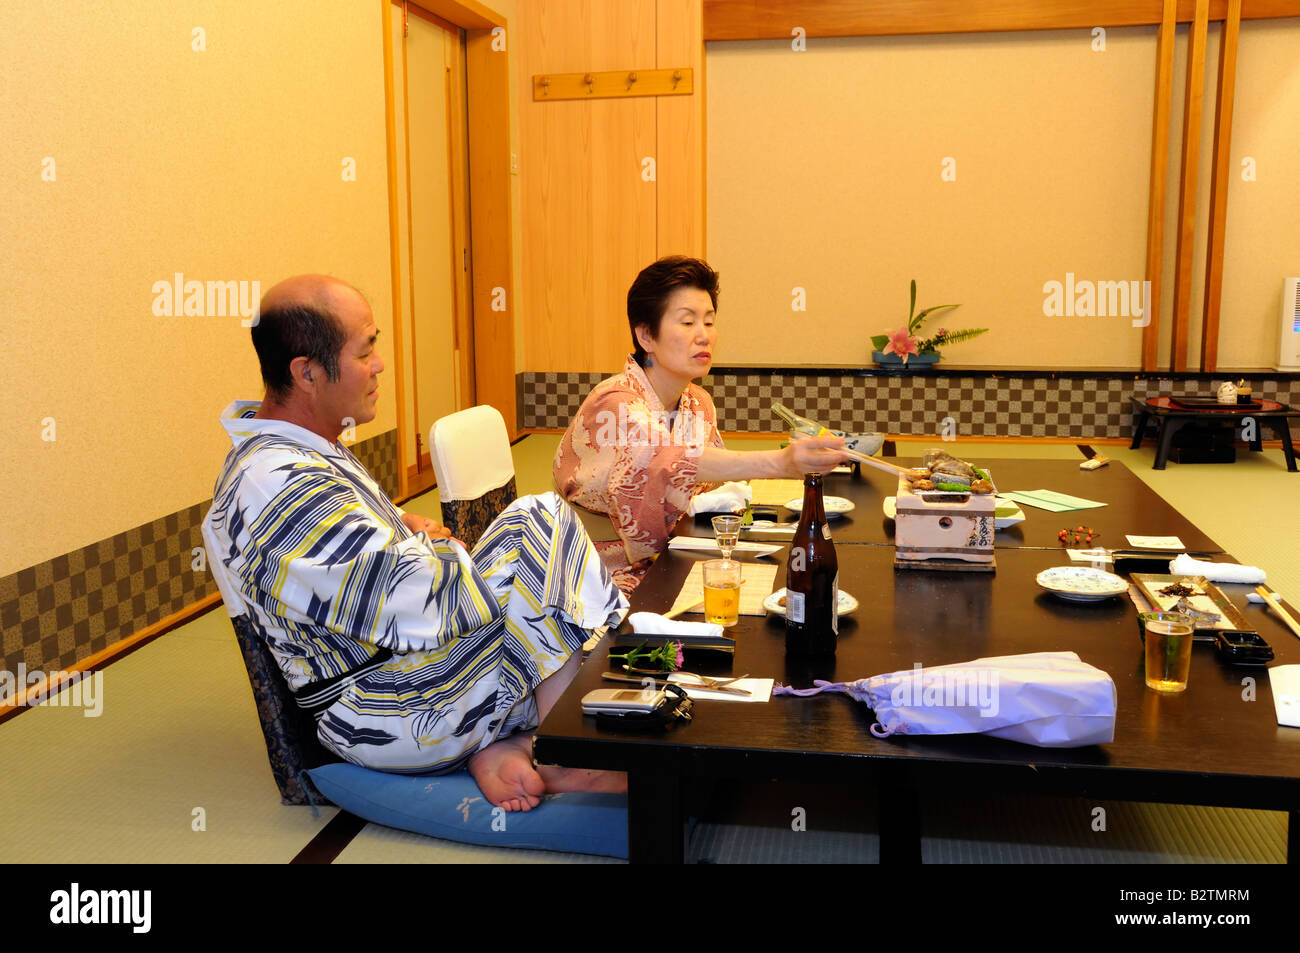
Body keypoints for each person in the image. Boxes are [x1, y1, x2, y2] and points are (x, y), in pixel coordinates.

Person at [202, 275, 628, 812]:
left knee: (539, 544)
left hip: (413, 669)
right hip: (386, 709)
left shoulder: (297, 450)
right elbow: (425, 603)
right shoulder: (276, 483)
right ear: (307, 372)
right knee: (541, 536)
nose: (379, 364)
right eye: (366, 349)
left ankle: (511, 742)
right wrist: (436, 546)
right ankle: (567, 756)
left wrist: (409, 533)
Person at [554, 256, 851, 592]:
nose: (704, 336)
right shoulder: (613, 403)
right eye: (687, 322)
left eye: (709, 322)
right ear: (646, 336)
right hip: (599, 572)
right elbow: (660, 458)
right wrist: (780, 462)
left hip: (674, 556)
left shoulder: (698, 403)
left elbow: (713, 487)